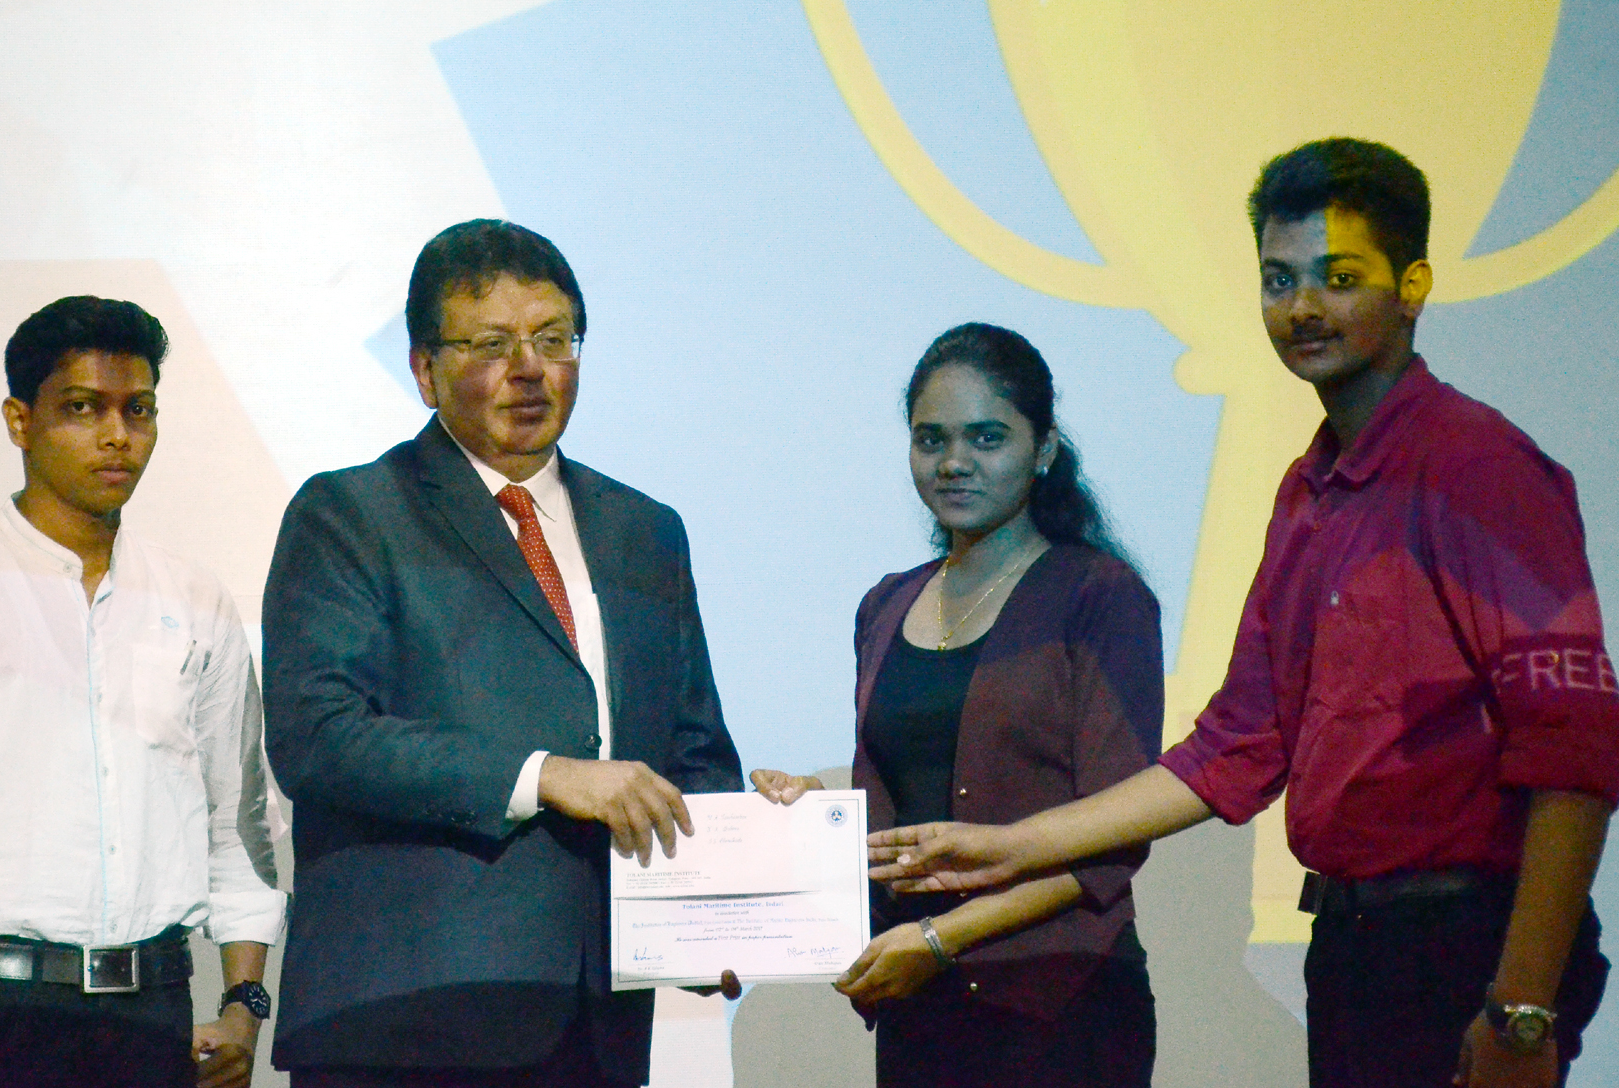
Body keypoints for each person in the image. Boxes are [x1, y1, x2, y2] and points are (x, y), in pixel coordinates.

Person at [868, 139, 1619, 1088]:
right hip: (1353, 946)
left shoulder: (1478, 466)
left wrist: (1522, 1009)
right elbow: (1236, 746)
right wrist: (1009, 845)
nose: (1302, 306)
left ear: (1413, 286)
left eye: (1339, 278)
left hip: (1467, 942)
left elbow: (1575, 752)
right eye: (1278, 279)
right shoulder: (1308, 493)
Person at [260, 219, 744, 1087]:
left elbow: (693, 751)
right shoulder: (351, 514)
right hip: (406, 1021)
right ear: (424, 370)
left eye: (554, 340)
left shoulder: (646, 530)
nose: (530, 369)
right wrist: (543, 775)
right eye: (492, 345)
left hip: (595, 1024)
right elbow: (318, 736)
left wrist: (730, 902)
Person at [0, 296, 285, 1088]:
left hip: (155, 1012)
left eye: (138, 409)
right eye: (82, 408)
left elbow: (237, 824)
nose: (117, 435)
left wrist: (243, 1006)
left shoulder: (195, 599)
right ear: (20, 421)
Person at [752, 322, 1164, 1087]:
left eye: (986, 438)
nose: (953, 462)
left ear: (1043, 449)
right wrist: (817, 816)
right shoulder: (885, 605)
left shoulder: (1099, 595)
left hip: (1060, 1003)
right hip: (918, 998)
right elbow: (909, 800)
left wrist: (943, 939)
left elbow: (1118, 833)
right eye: (930, 439)